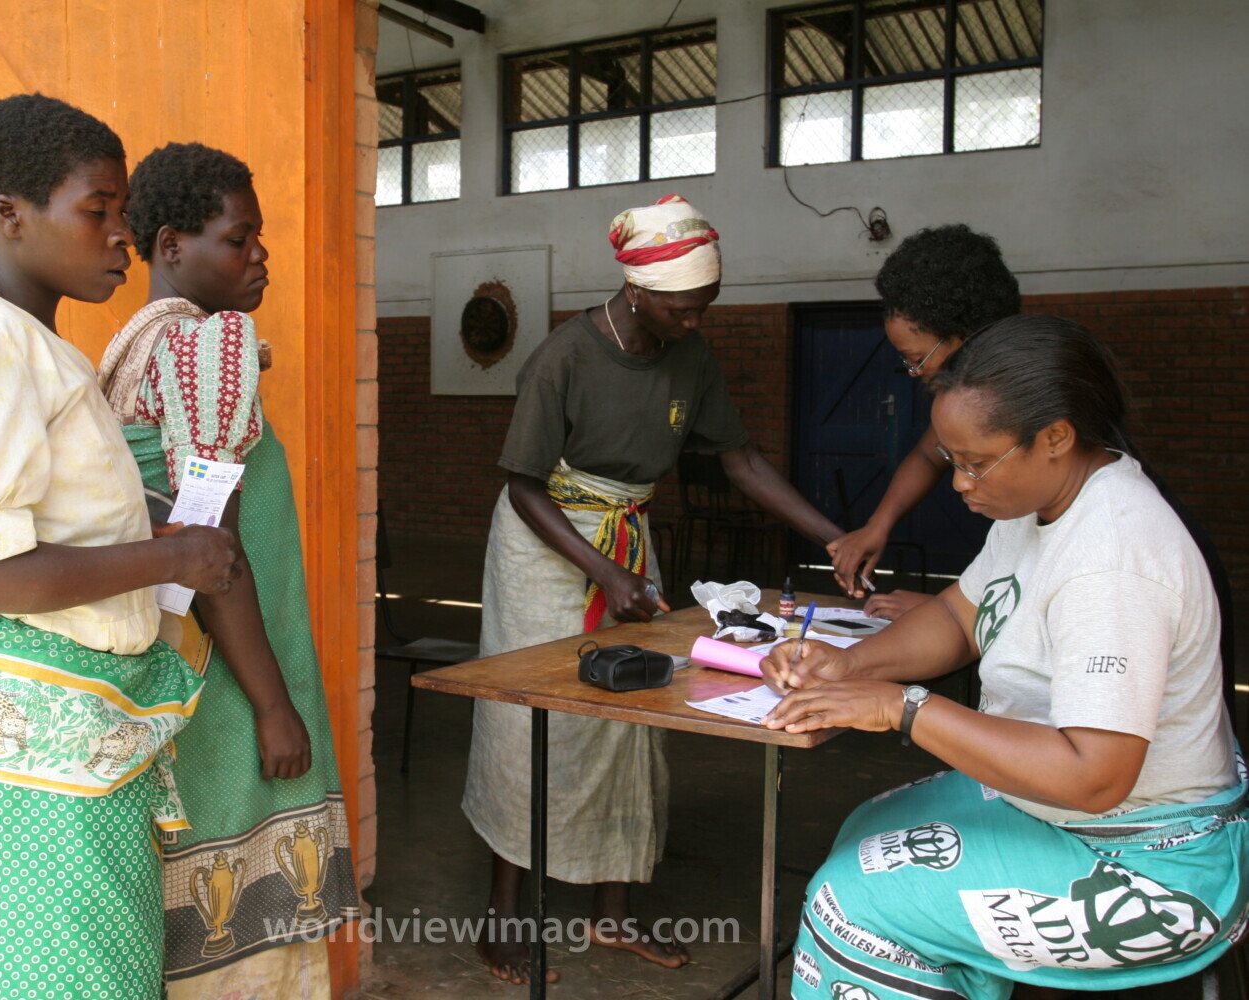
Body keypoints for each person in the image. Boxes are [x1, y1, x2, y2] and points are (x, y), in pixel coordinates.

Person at [762, 314, 1248, 1000]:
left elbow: (1095, 775)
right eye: (952, 460)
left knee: (852, 903)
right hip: (1072, 814)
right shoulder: (1042, 506)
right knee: (870, 830)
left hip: (1147, 861)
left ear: (1056, 437)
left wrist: (902, 709)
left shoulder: (1112, 556)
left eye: (975, 461)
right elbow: (961, 617)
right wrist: (850, 665)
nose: (959, 483)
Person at [0, 95, 241, 999]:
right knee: (59, 975)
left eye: (123, 214)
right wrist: (170, 561)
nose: (123, 235)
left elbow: (49, 532)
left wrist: (152, 536)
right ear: (11, 216)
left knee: (82, 968)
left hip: (62, 742)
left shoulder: (35, 348)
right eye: (99, 210)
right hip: (23, 755)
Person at [463, 194, 846, 985]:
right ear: (637, 291)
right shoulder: (563, 358)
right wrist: (604, 571)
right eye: (682, 308)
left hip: (625, 544)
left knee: (634, 719)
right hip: (548, 546)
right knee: (526, 716)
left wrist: (833, 535)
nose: (695, 322)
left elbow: (740, 460)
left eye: (705, 307)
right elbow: (524, 486)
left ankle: (613, 914)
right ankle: (502, 920)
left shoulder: (690, 359)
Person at [98, 141, 359, 999]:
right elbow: (214, 556)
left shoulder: (134, 345)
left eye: (259, 238)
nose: (261, 256)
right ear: (171, 245)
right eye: (238, 239)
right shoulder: (209, 349)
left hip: (173, 663)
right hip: (231, 675)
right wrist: (276, 707)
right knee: (245, 870)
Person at [826, 224, 1021, 620]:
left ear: (962, 337)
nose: (962, 481)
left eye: (917, 359)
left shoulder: (1024, 399)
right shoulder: (974, 394)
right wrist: (878, 526)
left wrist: (951, 611)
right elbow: (929, 454)